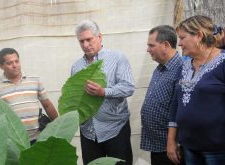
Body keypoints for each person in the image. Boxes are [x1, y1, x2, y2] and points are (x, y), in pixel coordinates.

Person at [71, 20, 135, 165]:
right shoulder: (76, 67)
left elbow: (128, 87)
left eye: (89, 39)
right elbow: (75, 96)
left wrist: (103, 92)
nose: (86, 45)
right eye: (81, 41)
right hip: (88, 131)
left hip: (115, 128)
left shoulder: (118, 58)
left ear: (99, 37)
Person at [167, 15, 225, 165]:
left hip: (218, 149)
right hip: (189, 147)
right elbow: (175, 105)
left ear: (198, 36)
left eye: (182, 38)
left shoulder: (222, 63)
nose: (179, 43)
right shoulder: (184, 66)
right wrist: (171, 141)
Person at [0, 48, 58, 143]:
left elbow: (47, 105)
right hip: (12, 141)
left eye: (17, 61)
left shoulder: (35, 80)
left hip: (38, 137)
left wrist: (58, 124)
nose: (15, 65)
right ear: (1, 66)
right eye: (9, 63)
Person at [140, 25, 184, 165]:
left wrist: (172, 143)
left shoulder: (181, 69)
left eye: (151, 45)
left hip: (171, 147)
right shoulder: (159, 69)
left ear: (165, 45)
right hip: (158, 145)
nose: (148, 49)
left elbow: (178, 110)